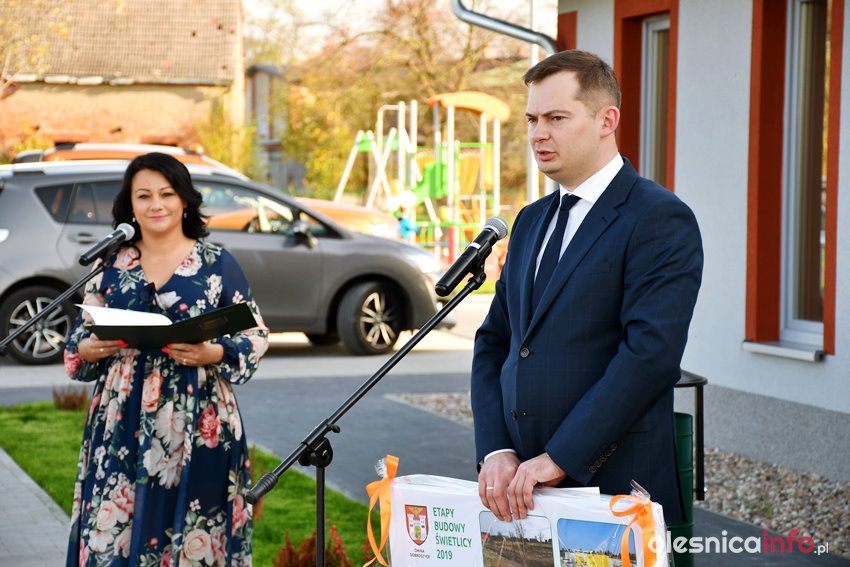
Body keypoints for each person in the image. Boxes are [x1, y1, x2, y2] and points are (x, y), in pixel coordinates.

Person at [471, 50, 703, 526]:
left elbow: (650, 356)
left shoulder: (658, 218)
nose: (538, 134)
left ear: (606, 120)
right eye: (532, 119)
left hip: (613, 490)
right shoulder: (531, 219)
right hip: (519, 493)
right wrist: (495, 448)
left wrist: (561, 457)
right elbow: (496, 341)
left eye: (556, 118)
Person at [63, 152, 268, 566]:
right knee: (112, 535)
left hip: (199, 416)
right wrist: (85, 348)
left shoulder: (217, 263)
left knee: (194, 528)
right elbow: (80, 338)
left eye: (167, 194)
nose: (156, 204)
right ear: (130, 205)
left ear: (185, 200)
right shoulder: (109, 264)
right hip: (121, 417)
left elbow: (256, 335)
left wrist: (214, 351)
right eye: (144, 196)